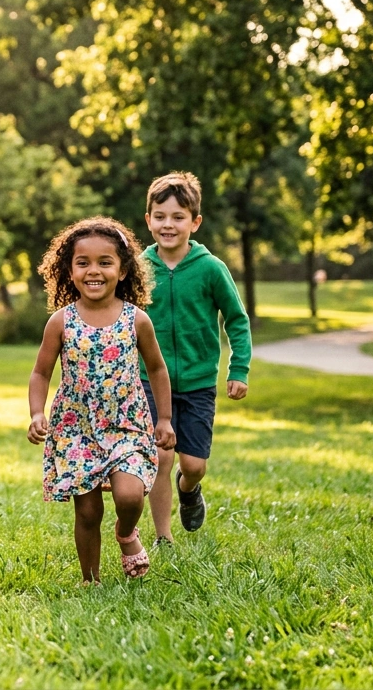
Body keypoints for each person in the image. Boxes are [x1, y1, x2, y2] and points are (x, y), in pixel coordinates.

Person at [27, 217, 175, 583]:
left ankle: (126, 533)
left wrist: (165, 419)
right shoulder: (60, 321)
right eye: (83, 262)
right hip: (76, 428)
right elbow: (41, 372)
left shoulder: (136, 320)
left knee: (129, 495)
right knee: (88, 511)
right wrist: (35, 412)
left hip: (126, 424)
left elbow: (156, 369)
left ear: (123, 270)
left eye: (105, 262)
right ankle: (90, 580)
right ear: (69, 270)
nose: (94, 271)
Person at [140, 172, 252, 542]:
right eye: (160, 216)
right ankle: (163, 536)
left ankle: (189, 490)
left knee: (193, 464)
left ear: (195, 222)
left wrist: (239, 368)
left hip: (198, 382)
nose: (168, 224)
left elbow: (237, 319)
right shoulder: (138, 269)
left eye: (177, 217)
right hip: (149, 381)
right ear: (148, 220)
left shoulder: (210, 269)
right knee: (160, 457)